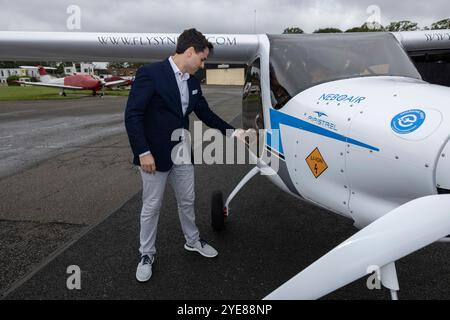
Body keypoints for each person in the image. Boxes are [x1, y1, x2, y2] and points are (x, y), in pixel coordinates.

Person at [124, 28, 244, 283]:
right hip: (153, 157)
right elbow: (132, 115)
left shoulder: (191, 83)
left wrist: (234, 133)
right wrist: (143, 152)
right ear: (190, 52)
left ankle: (192, 241)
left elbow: (205, 113)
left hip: (182, 153)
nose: (203, 65)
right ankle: (146, 254)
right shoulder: (150, 73)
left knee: (187, 201)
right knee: (151, 207)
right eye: (202, 59)